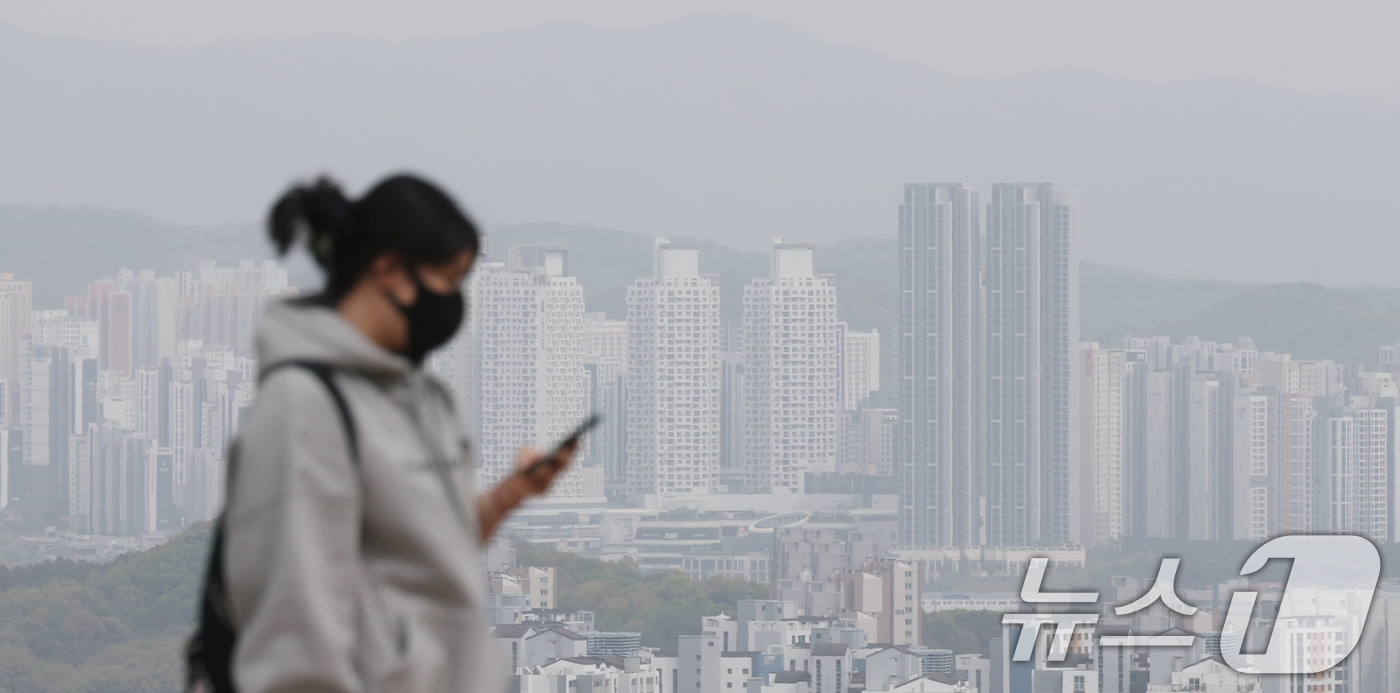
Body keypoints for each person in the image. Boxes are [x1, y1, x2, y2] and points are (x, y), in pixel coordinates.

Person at [222, 174, 573, 693]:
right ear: (386, 270)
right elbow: (293, 638)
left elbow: (423, 557)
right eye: (447, 281)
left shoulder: (422, 397)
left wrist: (504, 498)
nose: (454, 303)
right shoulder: (303, 407)